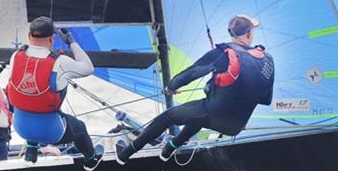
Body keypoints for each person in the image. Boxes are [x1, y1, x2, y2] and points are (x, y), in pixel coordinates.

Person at [116, 15, 275, 163]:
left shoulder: (222, 53)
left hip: (214, 115)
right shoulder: (267, 59)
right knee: (197, 114)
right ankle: (169, 149)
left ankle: (125, 155)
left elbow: (192, 73)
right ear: (249, 34)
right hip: (237, 126)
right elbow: (266, 100)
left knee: (169, 117)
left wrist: (172, 86)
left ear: (230, 32)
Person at [6, 16, 100, 166]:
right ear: (52, 38)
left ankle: (31, 153)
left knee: (29, 98)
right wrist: (71, 42)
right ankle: (91, 161)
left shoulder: (15, 56)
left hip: (20, 128)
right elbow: (88, 68)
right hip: (51, 132)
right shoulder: (60, 62)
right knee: (80, 128)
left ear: (29, 36)